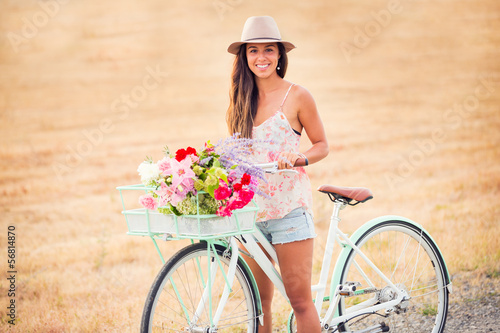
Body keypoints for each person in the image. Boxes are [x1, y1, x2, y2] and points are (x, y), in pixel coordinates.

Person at [226, 16, 329, 332]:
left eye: (269, 50)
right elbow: (238, 157)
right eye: (253, 51)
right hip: (251, 215)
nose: (261, 58)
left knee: (299, 302)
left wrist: (299, 157)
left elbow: (322, 145)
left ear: (280, 56)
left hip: (289, 211)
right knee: (259, 304)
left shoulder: (297, 96)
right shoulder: (239, 101)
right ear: (244, 57)